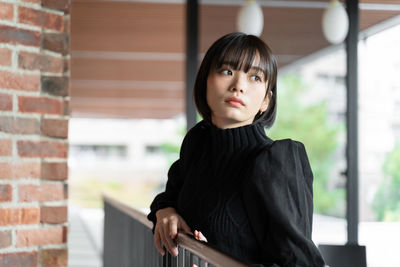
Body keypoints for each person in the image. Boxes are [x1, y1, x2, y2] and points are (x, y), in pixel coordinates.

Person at [147, 32, 325, 266]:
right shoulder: (198, 145)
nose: (239, 86)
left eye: (255, 78)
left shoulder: (276, 162)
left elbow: (299, 263)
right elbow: (168, 197)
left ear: (266, 101)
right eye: (227, 71)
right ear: (205, 82)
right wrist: (166, 211)